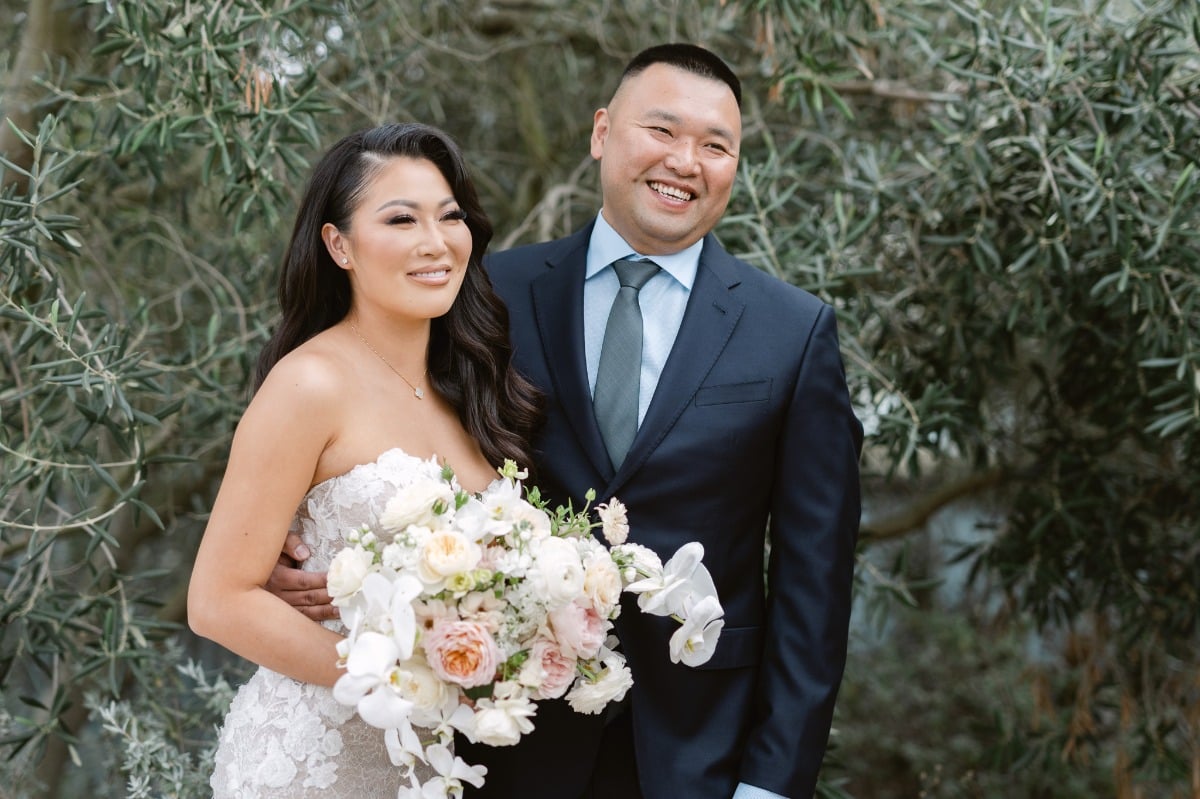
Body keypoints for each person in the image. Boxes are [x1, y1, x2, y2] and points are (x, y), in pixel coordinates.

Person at [273, 43, 862, 799]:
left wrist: (772, 784)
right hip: (501, 744)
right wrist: (296, 529)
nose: (686, 161)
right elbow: (369, 397)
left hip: (700, 756)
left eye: (717, 146)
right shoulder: (487, 294)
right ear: (602, 133)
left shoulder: (792, 332)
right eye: (662, 131)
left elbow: (817, 587)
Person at [187, 122, 541, 798]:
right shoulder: (309, 384)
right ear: (338, 244)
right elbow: (217, 600)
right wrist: (398, 681)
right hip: (311, 763)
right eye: (401, 219)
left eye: (450, 216)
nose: (435, 242)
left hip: (426, 763)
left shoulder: (465, 393)